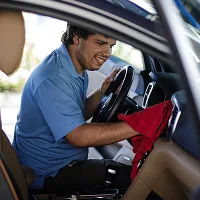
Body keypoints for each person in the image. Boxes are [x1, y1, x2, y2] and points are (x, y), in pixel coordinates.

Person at [12, 23, 139, 194]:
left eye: (111, 46)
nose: (108, 53)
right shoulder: (54, 79)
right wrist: (138, 125)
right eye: (100, 43)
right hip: (48, 173)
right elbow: (78, 136)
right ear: (76, 37)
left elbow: (76, 114)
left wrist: (102, 91)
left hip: (58, 162)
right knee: (135, 179)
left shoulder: (72, 65)